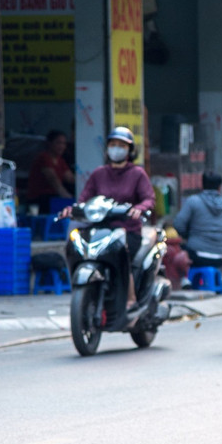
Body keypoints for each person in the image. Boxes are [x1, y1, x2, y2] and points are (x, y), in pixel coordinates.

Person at [59, 127, 155, 313]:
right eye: (113, 145)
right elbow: (84, 199)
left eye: (121, 146)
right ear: (107, 149)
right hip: (101, 229)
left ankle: (130, 298)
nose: (116, 149)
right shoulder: (99, 173)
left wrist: (139, 209)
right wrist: (73, 210)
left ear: (130, 150)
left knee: (122, 255)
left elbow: (149, 199)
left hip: (128, 230)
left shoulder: (137, 174)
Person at [174, 171, 222, 271]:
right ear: (220, 188)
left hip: (196, 255)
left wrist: (188, 236)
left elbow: (178, 225)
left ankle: (184, 280)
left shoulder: (193, 201)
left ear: (202, 185)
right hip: (221, 256)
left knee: (173, 250)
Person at [25, 130, 75, 213]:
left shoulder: (60, 160)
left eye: (64, 143)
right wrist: (69, 198)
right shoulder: (44, 158)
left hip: (53, 199)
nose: (62, 146)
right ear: (49, 143)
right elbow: (54, 181)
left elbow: (70, 178)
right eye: (58, 143)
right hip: (39, 200)